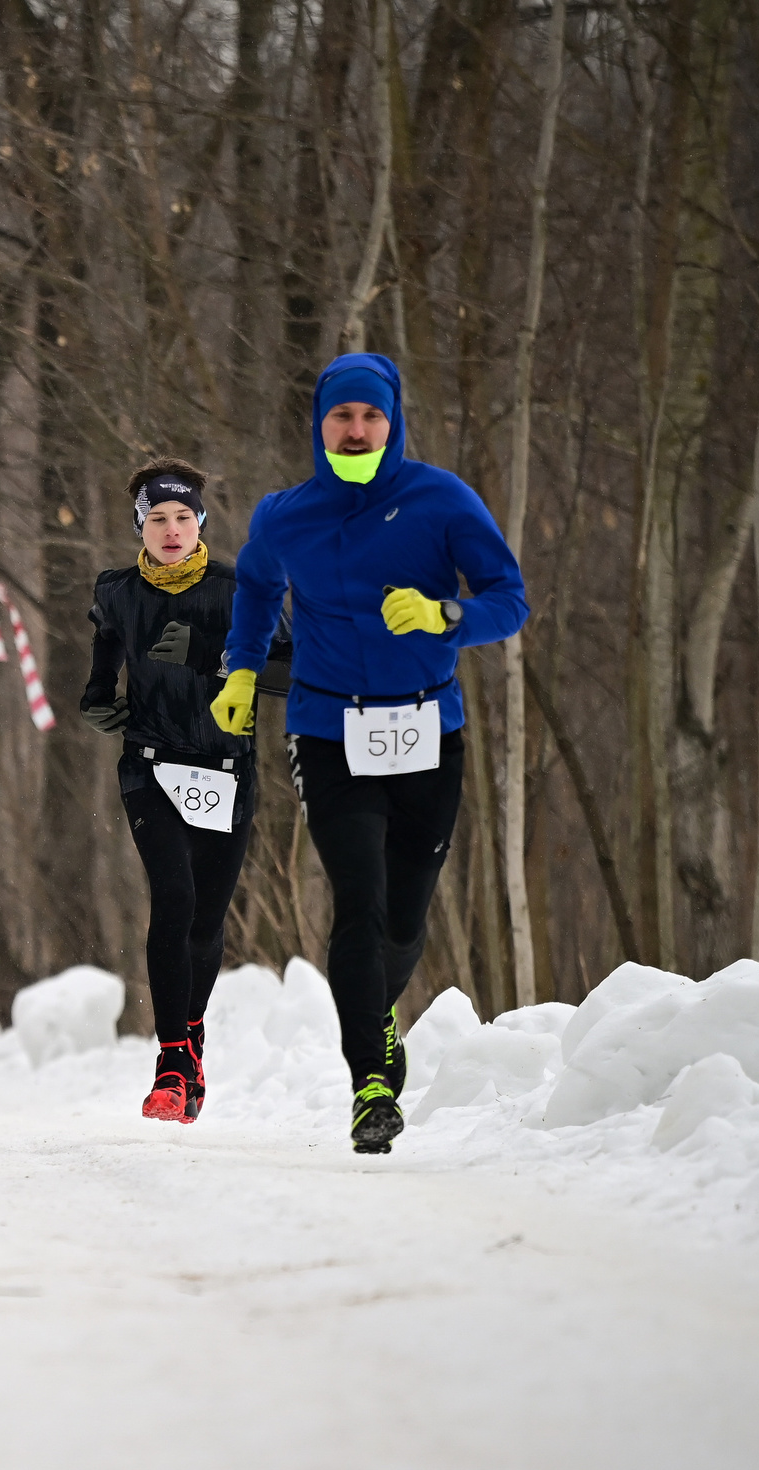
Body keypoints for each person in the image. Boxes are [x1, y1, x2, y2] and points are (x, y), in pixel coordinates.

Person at [216, 353, 527, 1155]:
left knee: (405, 917)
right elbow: (254, 587)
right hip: (329, 733)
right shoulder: (286, 515)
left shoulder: (441, 500)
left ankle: (377, 1018)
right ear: (319, 425)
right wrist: (242, 670)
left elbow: (509, 600)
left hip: (429, 731)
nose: (356, 430)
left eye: (370, 417)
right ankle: (372, 1086)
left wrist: (444, 614)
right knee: (358, 900)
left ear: (391, 423)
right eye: (342, 417)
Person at [79, 459, 288, 1125]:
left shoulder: (238, 591)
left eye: (183, 517)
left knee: (204, 919)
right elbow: (104, 656)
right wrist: (96, 699)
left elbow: (291, 669)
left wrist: (208, 654)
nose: (171, 529)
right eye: (157, 518)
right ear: (139, 526)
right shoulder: (116, 591)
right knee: (172, 899)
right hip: (149, 766)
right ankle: (171, 1062)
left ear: (201, 521)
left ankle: (190, 1038)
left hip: (225, 770)